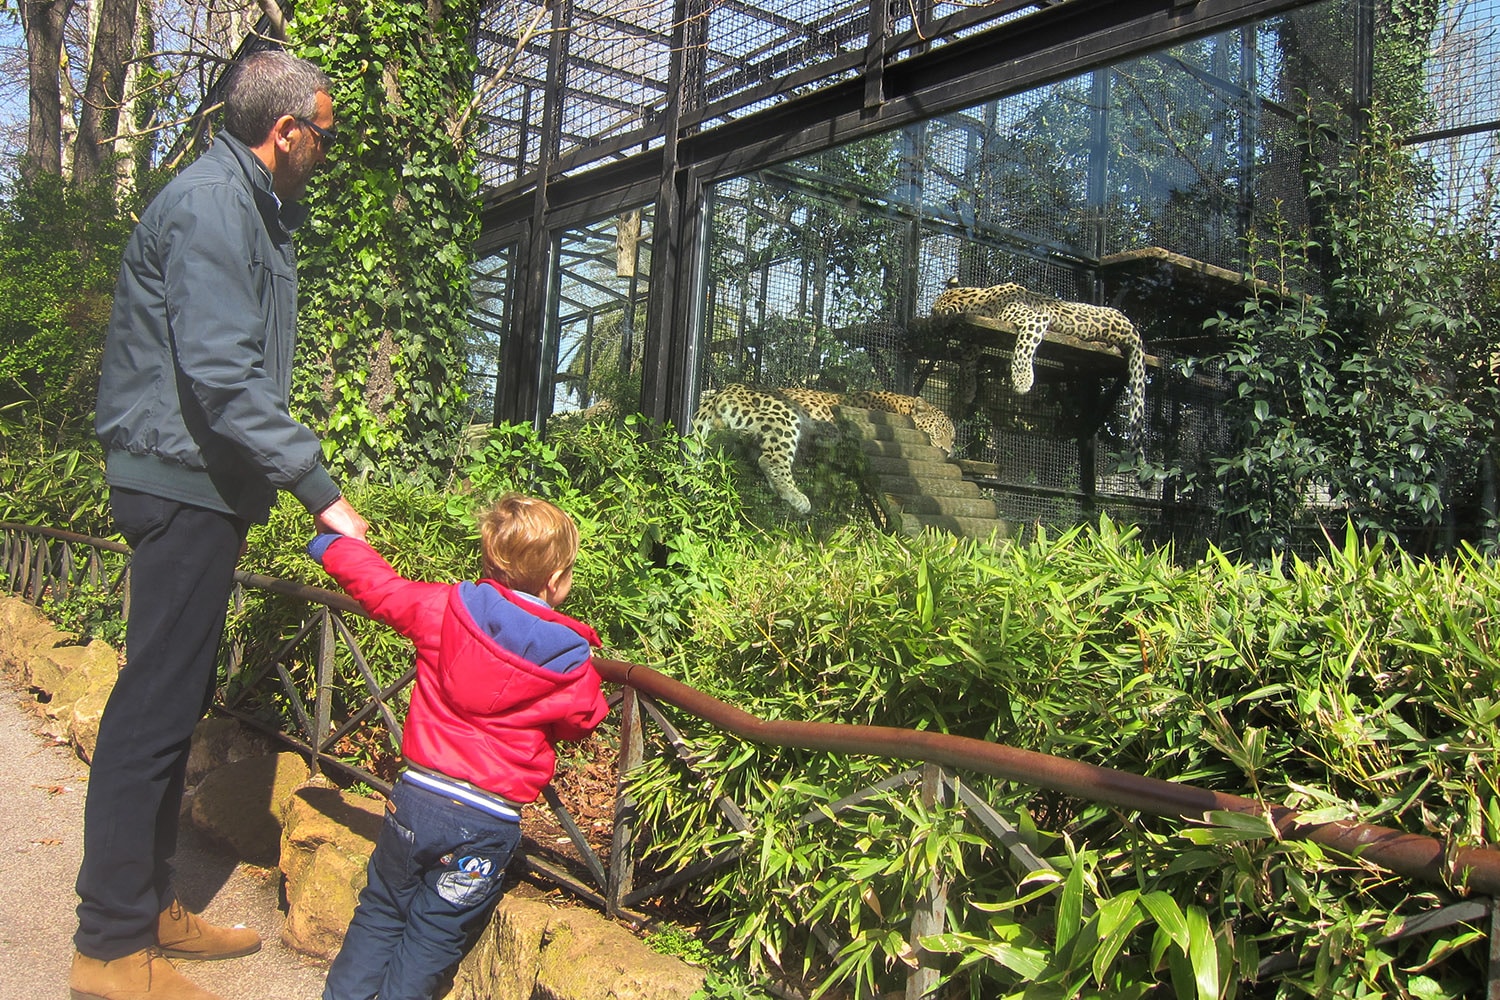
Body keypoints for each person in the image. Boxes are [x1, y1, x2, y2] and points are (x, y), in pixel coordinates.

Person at [73, 49, 370, 1000]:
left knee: (168, 704)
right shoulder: (212, 207)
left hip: (203, 482)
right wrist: (322, 490)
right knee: (151, 714)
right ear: (283, 133)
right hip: (183, 480)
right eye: (324, 132)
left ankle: (149, 906)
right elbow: (224, 374)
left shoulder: (248, 207)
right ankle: (110, 950)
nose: (328, 149)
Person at [311, 492, 609, 1000]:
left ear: (489, 560)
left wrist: (332, 545)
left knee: (382, 909)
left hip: (417, 798)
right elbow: (584, 719)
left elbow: (382, 589)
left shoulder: (446, 608)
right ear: (557, 579)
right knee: (435, 934)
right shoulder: (572, 662)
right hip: (486, 821)